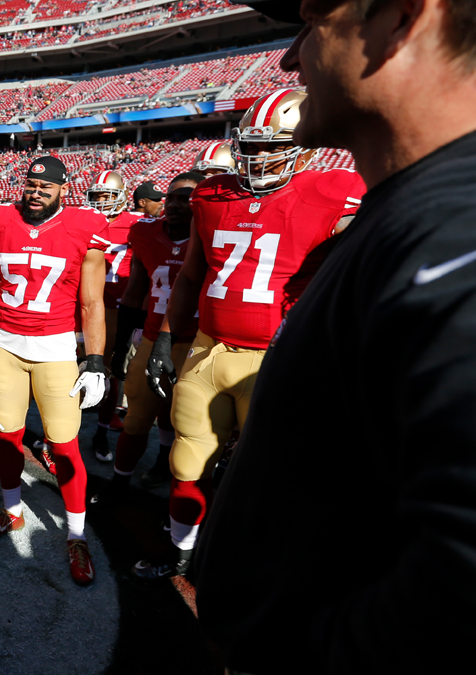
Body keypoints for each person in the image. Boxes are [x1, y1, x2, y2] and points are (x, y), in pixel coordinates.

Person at [196, 0, 476, 671]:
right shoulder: (409, 211)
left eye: (312, 19)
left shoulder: (449, 227)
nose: (292, 56)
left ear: (404, 16)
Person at [135, 88, 366, 579]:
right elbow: (192, 275)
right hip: (207, 348)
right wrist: (165, 339)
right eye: (251, 145)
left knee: (273, 475)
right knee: (187, 458)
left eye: (271, 146)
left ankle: (258, 562)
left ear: (306, 145)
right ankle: (182, 548)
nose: (258, 157)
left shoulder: (336, 192)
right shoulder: (212, 196)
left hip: (278, 358)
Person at [0, 155, 110, 587]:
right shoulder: (0, 219)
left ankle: (76, 536)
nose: (36, 190)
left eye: (46, 186)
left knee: (64, 447)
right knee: (6, 440)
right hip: (5, 346)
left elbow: (92, 302)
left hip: (57, 351)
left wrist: (96, 359)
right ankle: (12, 514)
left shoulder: (84, 226)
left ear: (63, 189)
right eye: (31, 183)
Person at [97, 172, 205, 503]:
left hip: (196, 342)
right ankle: (119, 484)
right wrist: (120, 346)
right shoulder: (144, 233)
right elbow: (134, 292)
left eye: (183, 198)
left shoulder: (212, 236)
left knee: (184, 421)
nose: (173, 204)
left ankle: (166, 470)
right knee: (137, 417)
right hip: (152, 336)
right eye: (170, 197)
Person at [84, 169, 147, 463]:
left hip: (115, 307)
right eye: (95, 195)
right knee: (71, 367)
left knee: (110, 372)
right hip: (81, 303)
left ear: (121, 197)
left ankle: (100, 431)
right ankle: (54, 436)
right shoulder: (81, 219)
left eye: (106, 195)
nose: (100, 202)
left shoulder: (138, 224)